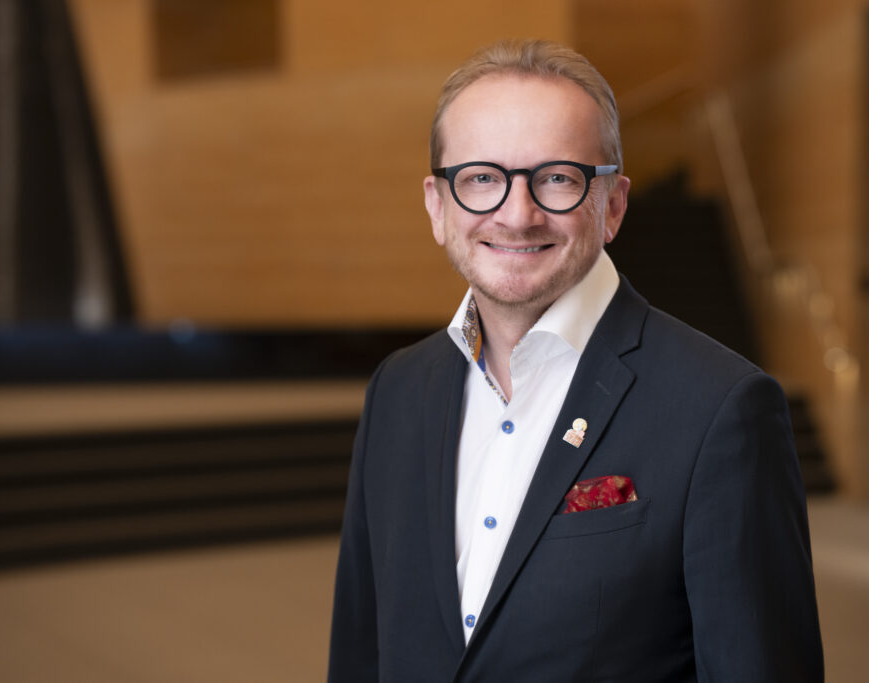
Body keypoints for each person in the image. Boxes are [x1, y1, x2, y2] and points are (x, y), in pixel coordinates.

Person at [328, 39, 823, 682]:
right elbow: (361, 653)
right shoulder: (397, 390)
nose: (516, 213)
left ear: (612, 205)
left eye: (556, 178)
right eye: (482, 178)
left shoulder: (721, 409)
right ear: (437, 206)